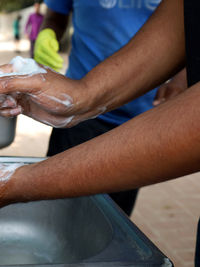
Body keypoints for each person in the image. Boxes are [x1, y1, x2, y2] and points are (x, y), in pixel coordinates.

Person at [0, 0, 199, 265]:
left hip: (148, 119)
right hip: (109, 120)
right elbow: (184, 13)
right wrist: (82, 95)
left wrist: (13, 182)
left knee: (104, 228)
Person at [32, 0, 167, 216]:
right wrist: (47, 33)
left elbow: (181, 29)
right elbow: (55, 15)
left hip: (138, 118)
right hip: (78, 117)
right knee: (57, 210)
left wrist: (181, 76)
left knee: (113, 217)